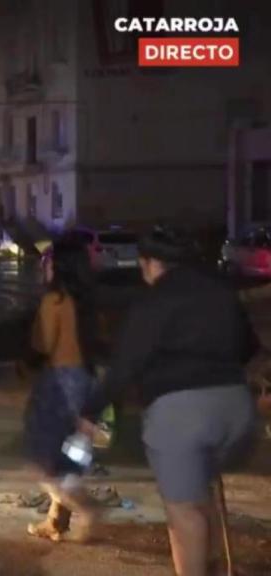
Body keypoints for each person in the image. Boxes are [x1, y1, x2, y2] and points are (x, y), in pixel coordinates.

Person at [83, 227, 259, 576]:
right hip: (237, 408)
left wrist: (90, 410)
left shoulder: (153, 300)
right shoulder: (220, 292)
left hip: (181, 415)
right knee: (201, 492)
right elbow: (249, 347)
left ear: (149, 263)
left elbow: (125, 364)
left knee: (183, 511)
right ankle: (214, 566)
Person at [23, 238, 101, 543]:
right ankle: (56, 521)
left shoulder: (54, 300)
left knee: (41, 459)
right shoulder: (87, 300)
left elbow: (42, 343)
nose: (45, 265)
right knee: (69, 454)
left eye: (50, 260)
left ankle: (87, 509)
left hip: (59, 381)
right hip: (86, 380)